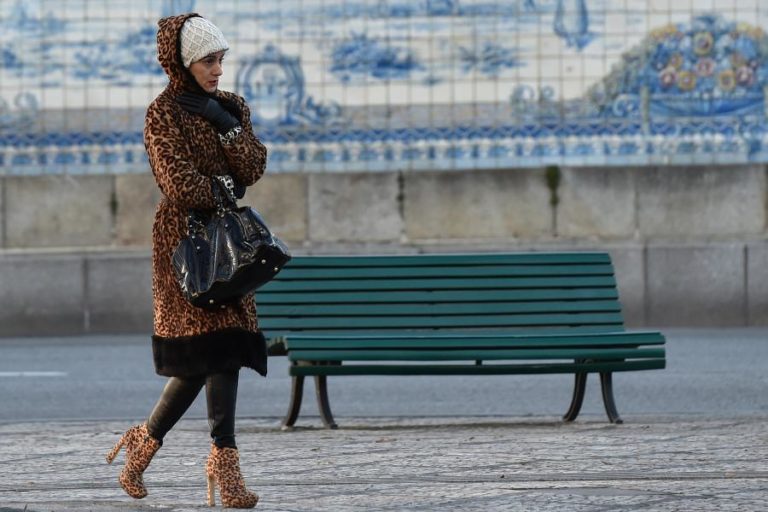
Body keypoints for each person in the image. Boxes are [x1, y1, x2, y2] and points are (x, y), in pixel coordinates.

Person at [105, 13, 267, 509]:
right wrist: (223, 185)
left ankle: (149, 444)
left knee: (219, 351)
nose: (218, 70)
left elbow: (254, 166)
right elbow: (179, 185)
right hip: (185, 246)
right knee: (213, 351)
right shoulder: (162, 114)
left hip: (228, 243)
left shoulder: (230, 106)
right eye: (208, 61)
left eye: (221, 60)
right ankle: (224, 463)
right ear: (181, 61)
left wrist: (227, 127)